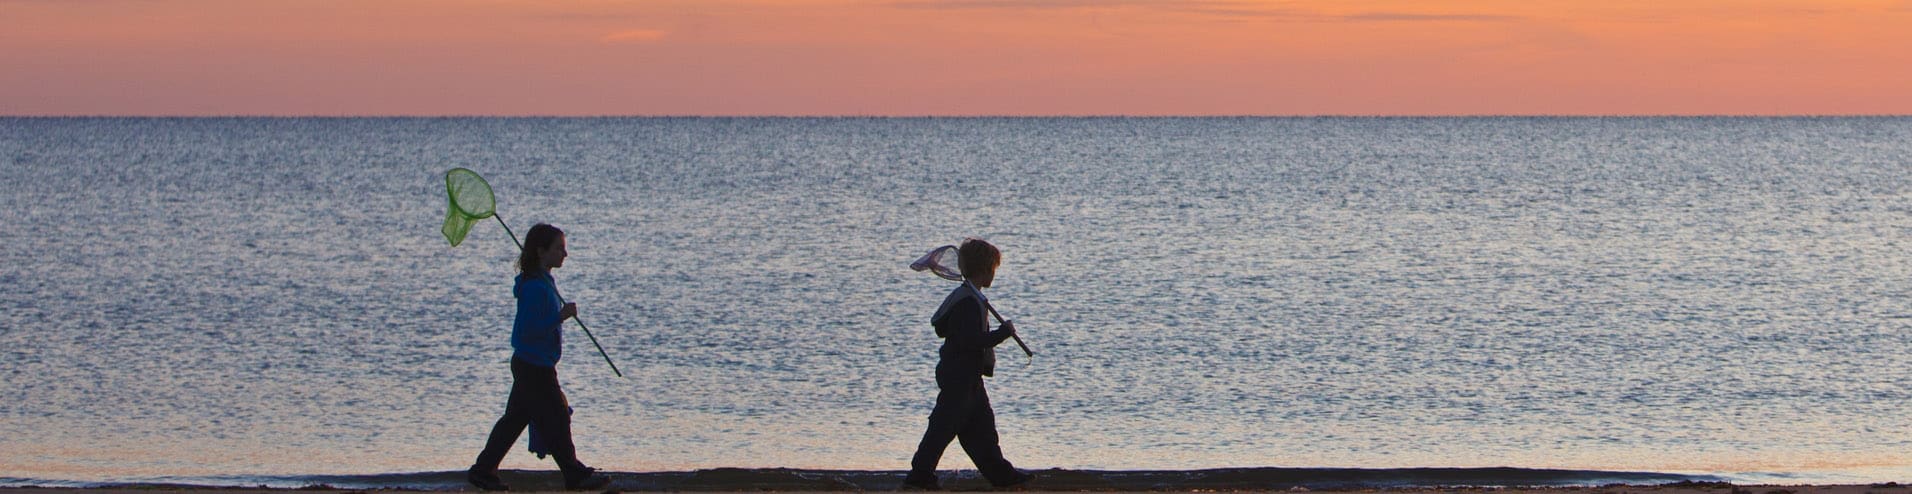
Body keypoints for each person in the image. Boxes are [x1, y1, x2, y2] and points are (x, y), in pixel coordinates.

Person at [467, 223, 610, 491]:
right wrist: (560, 316)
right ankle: (574, 474)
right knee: (556, 416)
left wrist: (559, 316)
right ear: (541, 251)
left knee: (514, 420)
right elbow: (528, 330)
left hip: (534, 363)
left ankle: (483, 470)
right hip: (533, 365)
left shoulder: (543, 280)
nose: (564, 254)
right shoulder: (534, 287)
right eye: (558, 249)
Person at [904, 238, 1034, 490]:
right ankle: (920, 474)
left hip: (967, 376)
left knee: (982, 431)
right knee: (943, 427)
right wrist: (1001, 333)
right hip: (959, 375)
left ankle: (1002, 475)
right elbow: (969, 340)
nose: (993, 275)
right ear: (984, 270)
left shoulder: (969, 297)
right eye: (992, 270)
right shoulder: (967, 302)